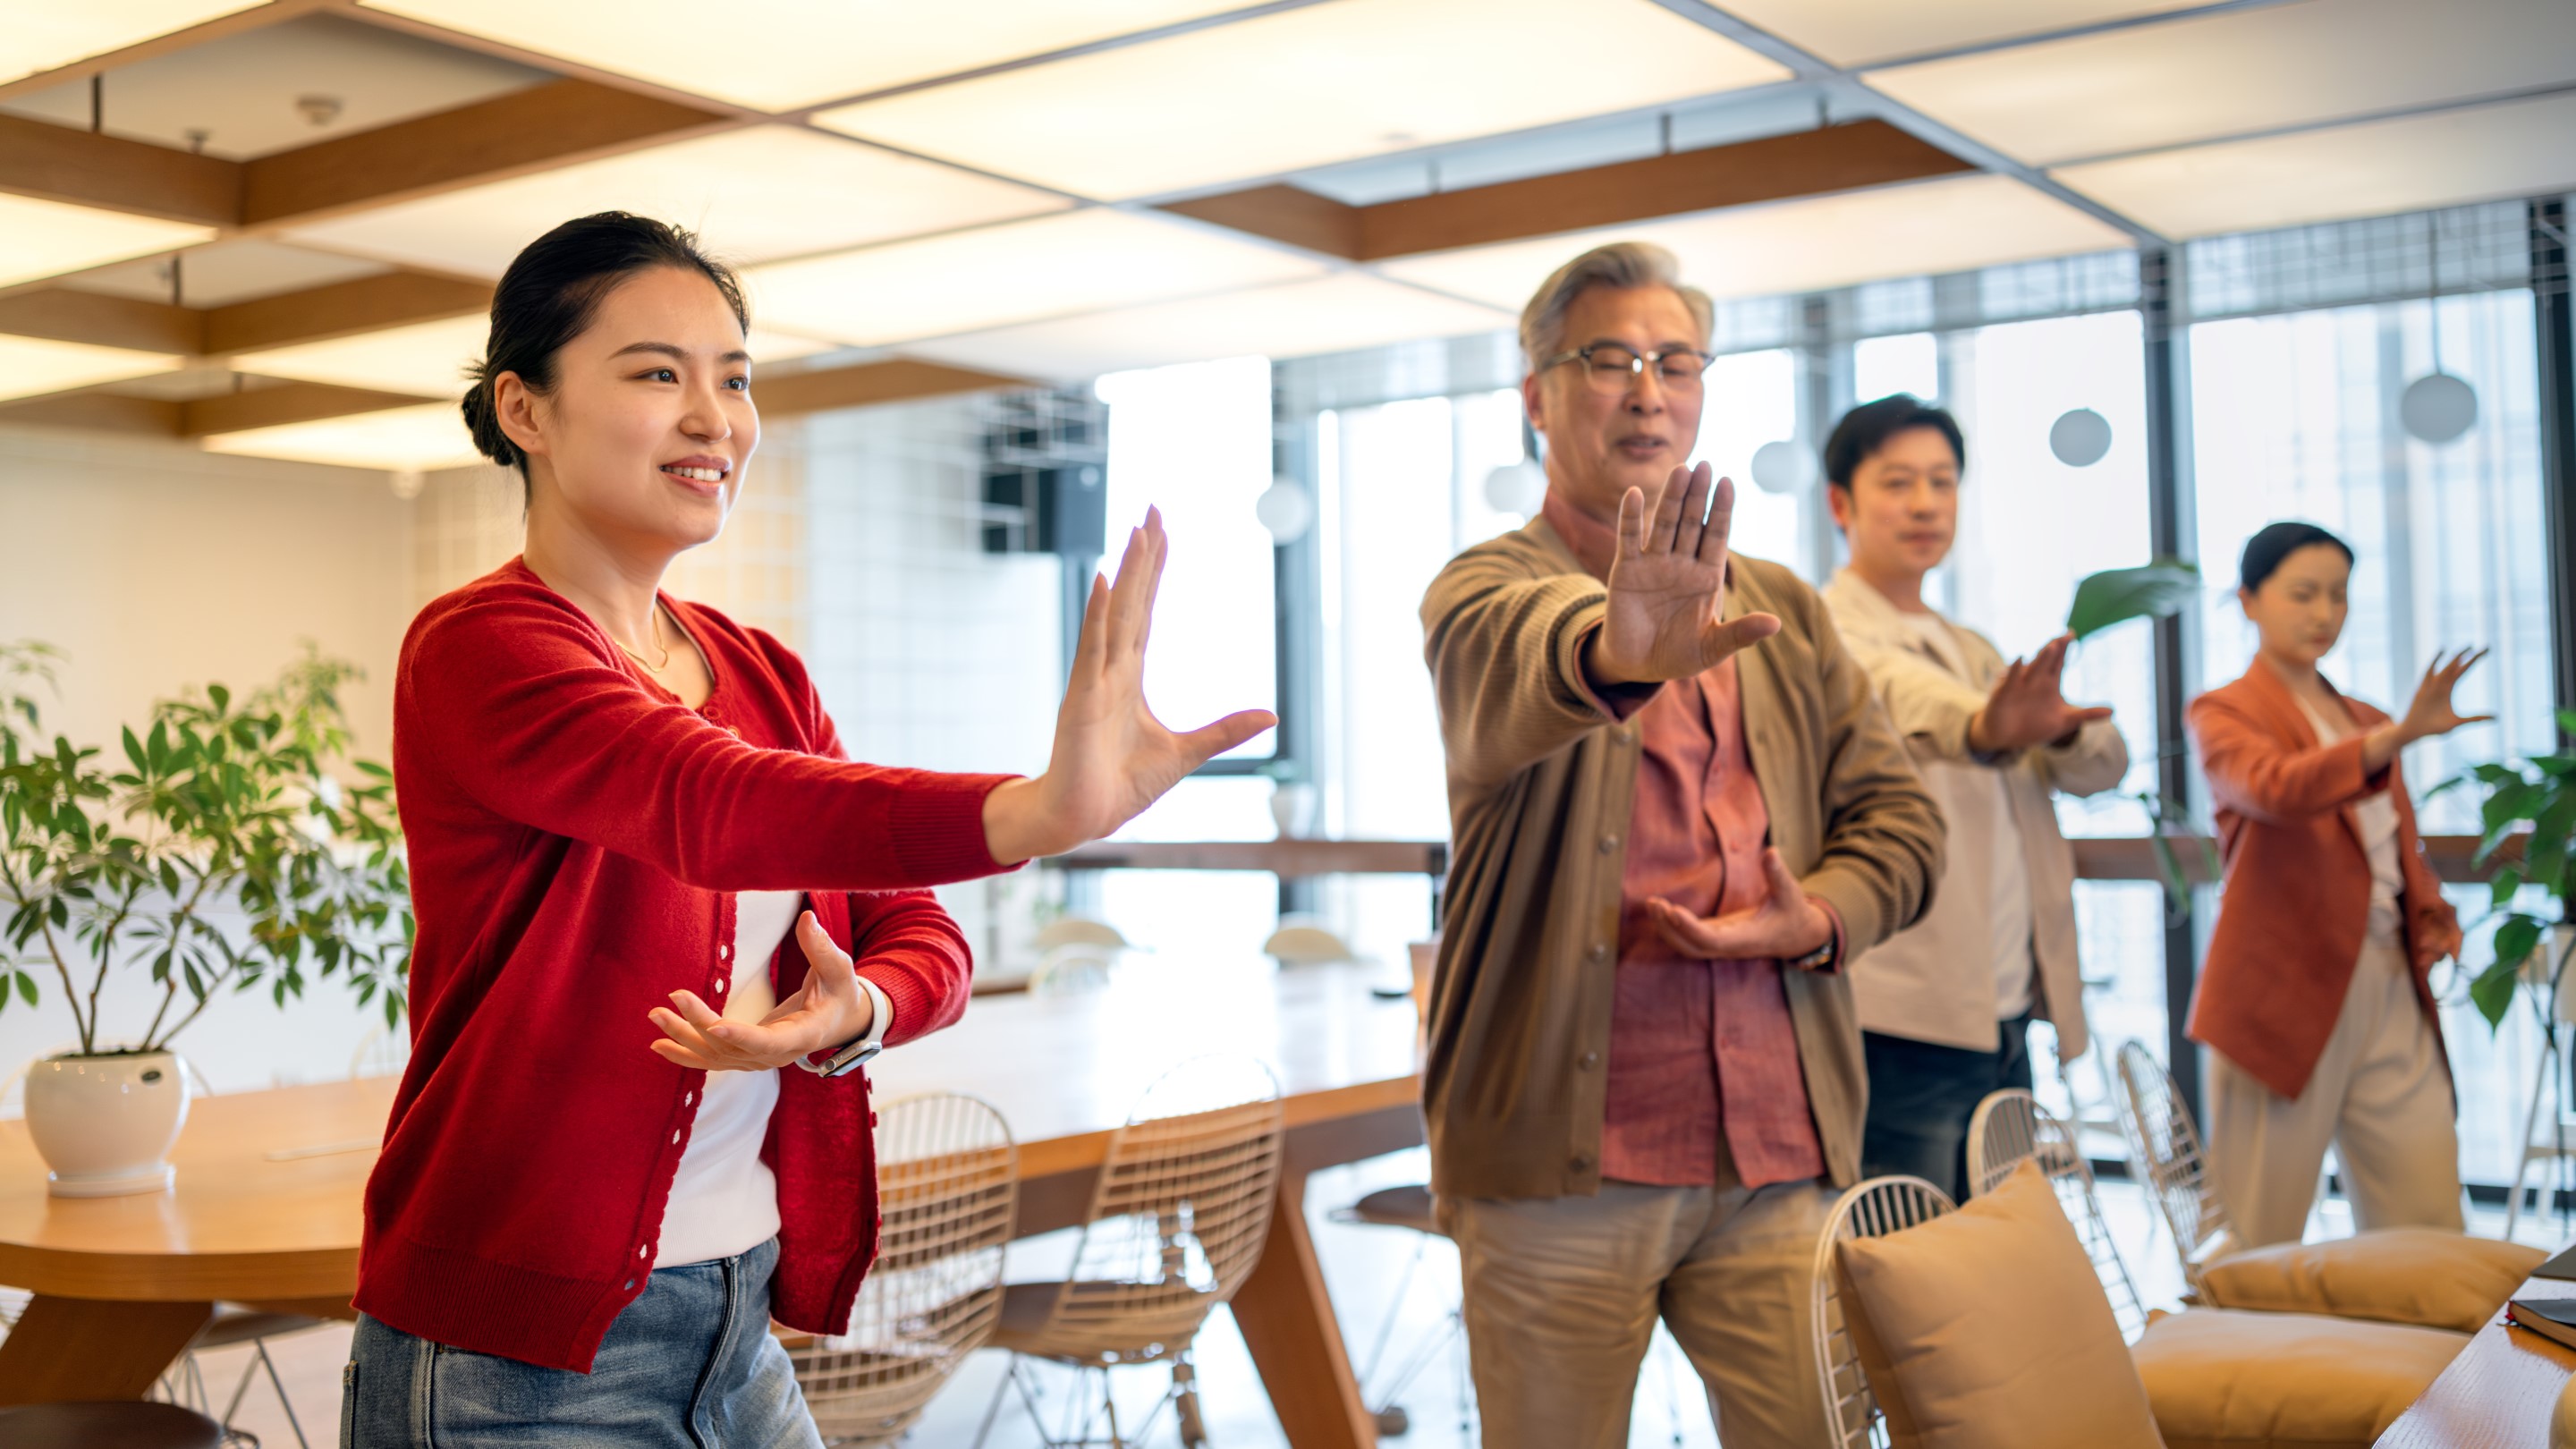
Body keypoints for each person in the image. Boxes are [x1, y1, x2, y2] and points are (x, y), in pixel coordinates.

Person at [342, 213, 1271, 1447]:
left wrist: (858, 1011)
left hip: (736, 1326)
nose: (714, 417)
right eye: (657, 373)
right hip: (518, 1360)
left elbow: (917, 932)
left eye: (733, 378)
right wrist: (1034, 811)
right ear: (525, 409)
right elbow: (710, 804)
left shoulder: (759, 669)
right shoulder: (483, 647)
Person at [1418, 242, 1943, 1449]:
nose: (1647, 388)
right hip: (1561, 1169)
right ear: (1537, 396)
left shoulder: (1781, 605)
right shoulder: (1484, 587)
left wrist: (1817, 914)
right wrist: (1617, 645)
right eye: (1607, 359)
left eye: (1676, 360)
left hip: (1779, 1148)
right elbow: (1522, 658)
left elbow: (1900, 818)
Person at [1818, 394, 2129, 1202]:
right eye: (1897, 482)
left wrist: (2054, 732)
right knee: (1909, 1263)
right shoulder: (1829, 630)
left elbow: (2102, 764)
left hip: (2003, 1002)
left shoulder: (1971, 645)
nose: (1924, 503)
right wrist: (1990, 725)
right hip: (1899, 1012)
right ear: (1840, 503)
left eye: (1942, 481)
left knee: (2001, 1249)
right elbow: (1912, 701)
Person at [2189, 521, 2478, 1248]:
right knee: (2254, 1231)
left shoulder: (2369, 718)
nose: (2323, 614)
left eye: (2339, 597)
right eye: (2303, 594)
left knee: (2428, 1216)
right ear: (2248, 600)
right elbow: (2274, 788)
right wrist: (2393, 740)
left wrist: (2430, 908)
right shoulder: (2224, 711)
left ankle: (2435, 1366)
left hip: (2388, 977)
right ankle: (2230, 1365)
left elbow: (2392, 846)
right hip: (2284, 990)